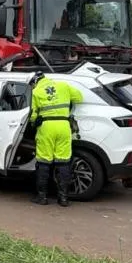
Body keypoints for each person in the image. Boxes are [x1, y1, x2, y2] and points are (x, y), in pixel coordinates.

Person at [29, 73, 83, 207]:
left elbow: (33, 115)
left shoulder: (36, 91)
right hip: (64, 126)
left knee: (43, 162)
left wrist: (33, 123)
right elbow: (79, 97)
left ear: (36, 81)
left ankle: (42, 197)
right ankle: (63, 199)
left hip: (46, 128)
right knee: (63, 162)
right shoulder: (63, 86)